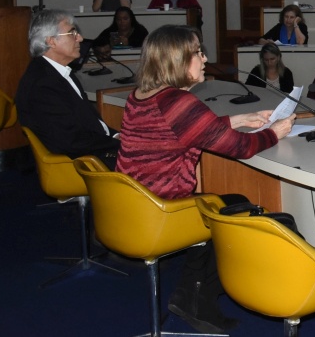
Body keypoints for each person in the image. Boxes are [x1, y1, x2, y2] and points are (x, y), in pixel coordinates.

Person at [116, 25, 293, 334]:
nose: (204, 57)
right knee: (236, 211)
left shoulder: (143, 95)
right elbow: (242, 147)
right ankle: (198, 299)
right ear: (176, 60)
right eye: (197, 52)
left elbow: (183, 129)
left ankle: (190, 294)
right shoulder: (178, 103)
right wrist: (274, 133)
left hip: (134, 206)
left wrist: (238, 119)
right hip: (163, 213)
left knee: (226, 203)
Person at [15, 9, 120, 167]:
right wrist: (120, 145)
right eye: (73, 33)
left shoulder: (59, 73)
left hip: (93, 150)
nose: (80, 38)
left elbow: (91, 124)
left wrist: (117, 135)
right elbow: (70, 140)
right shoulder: (42, 84)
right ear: (51, 41)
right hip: (82, 161)